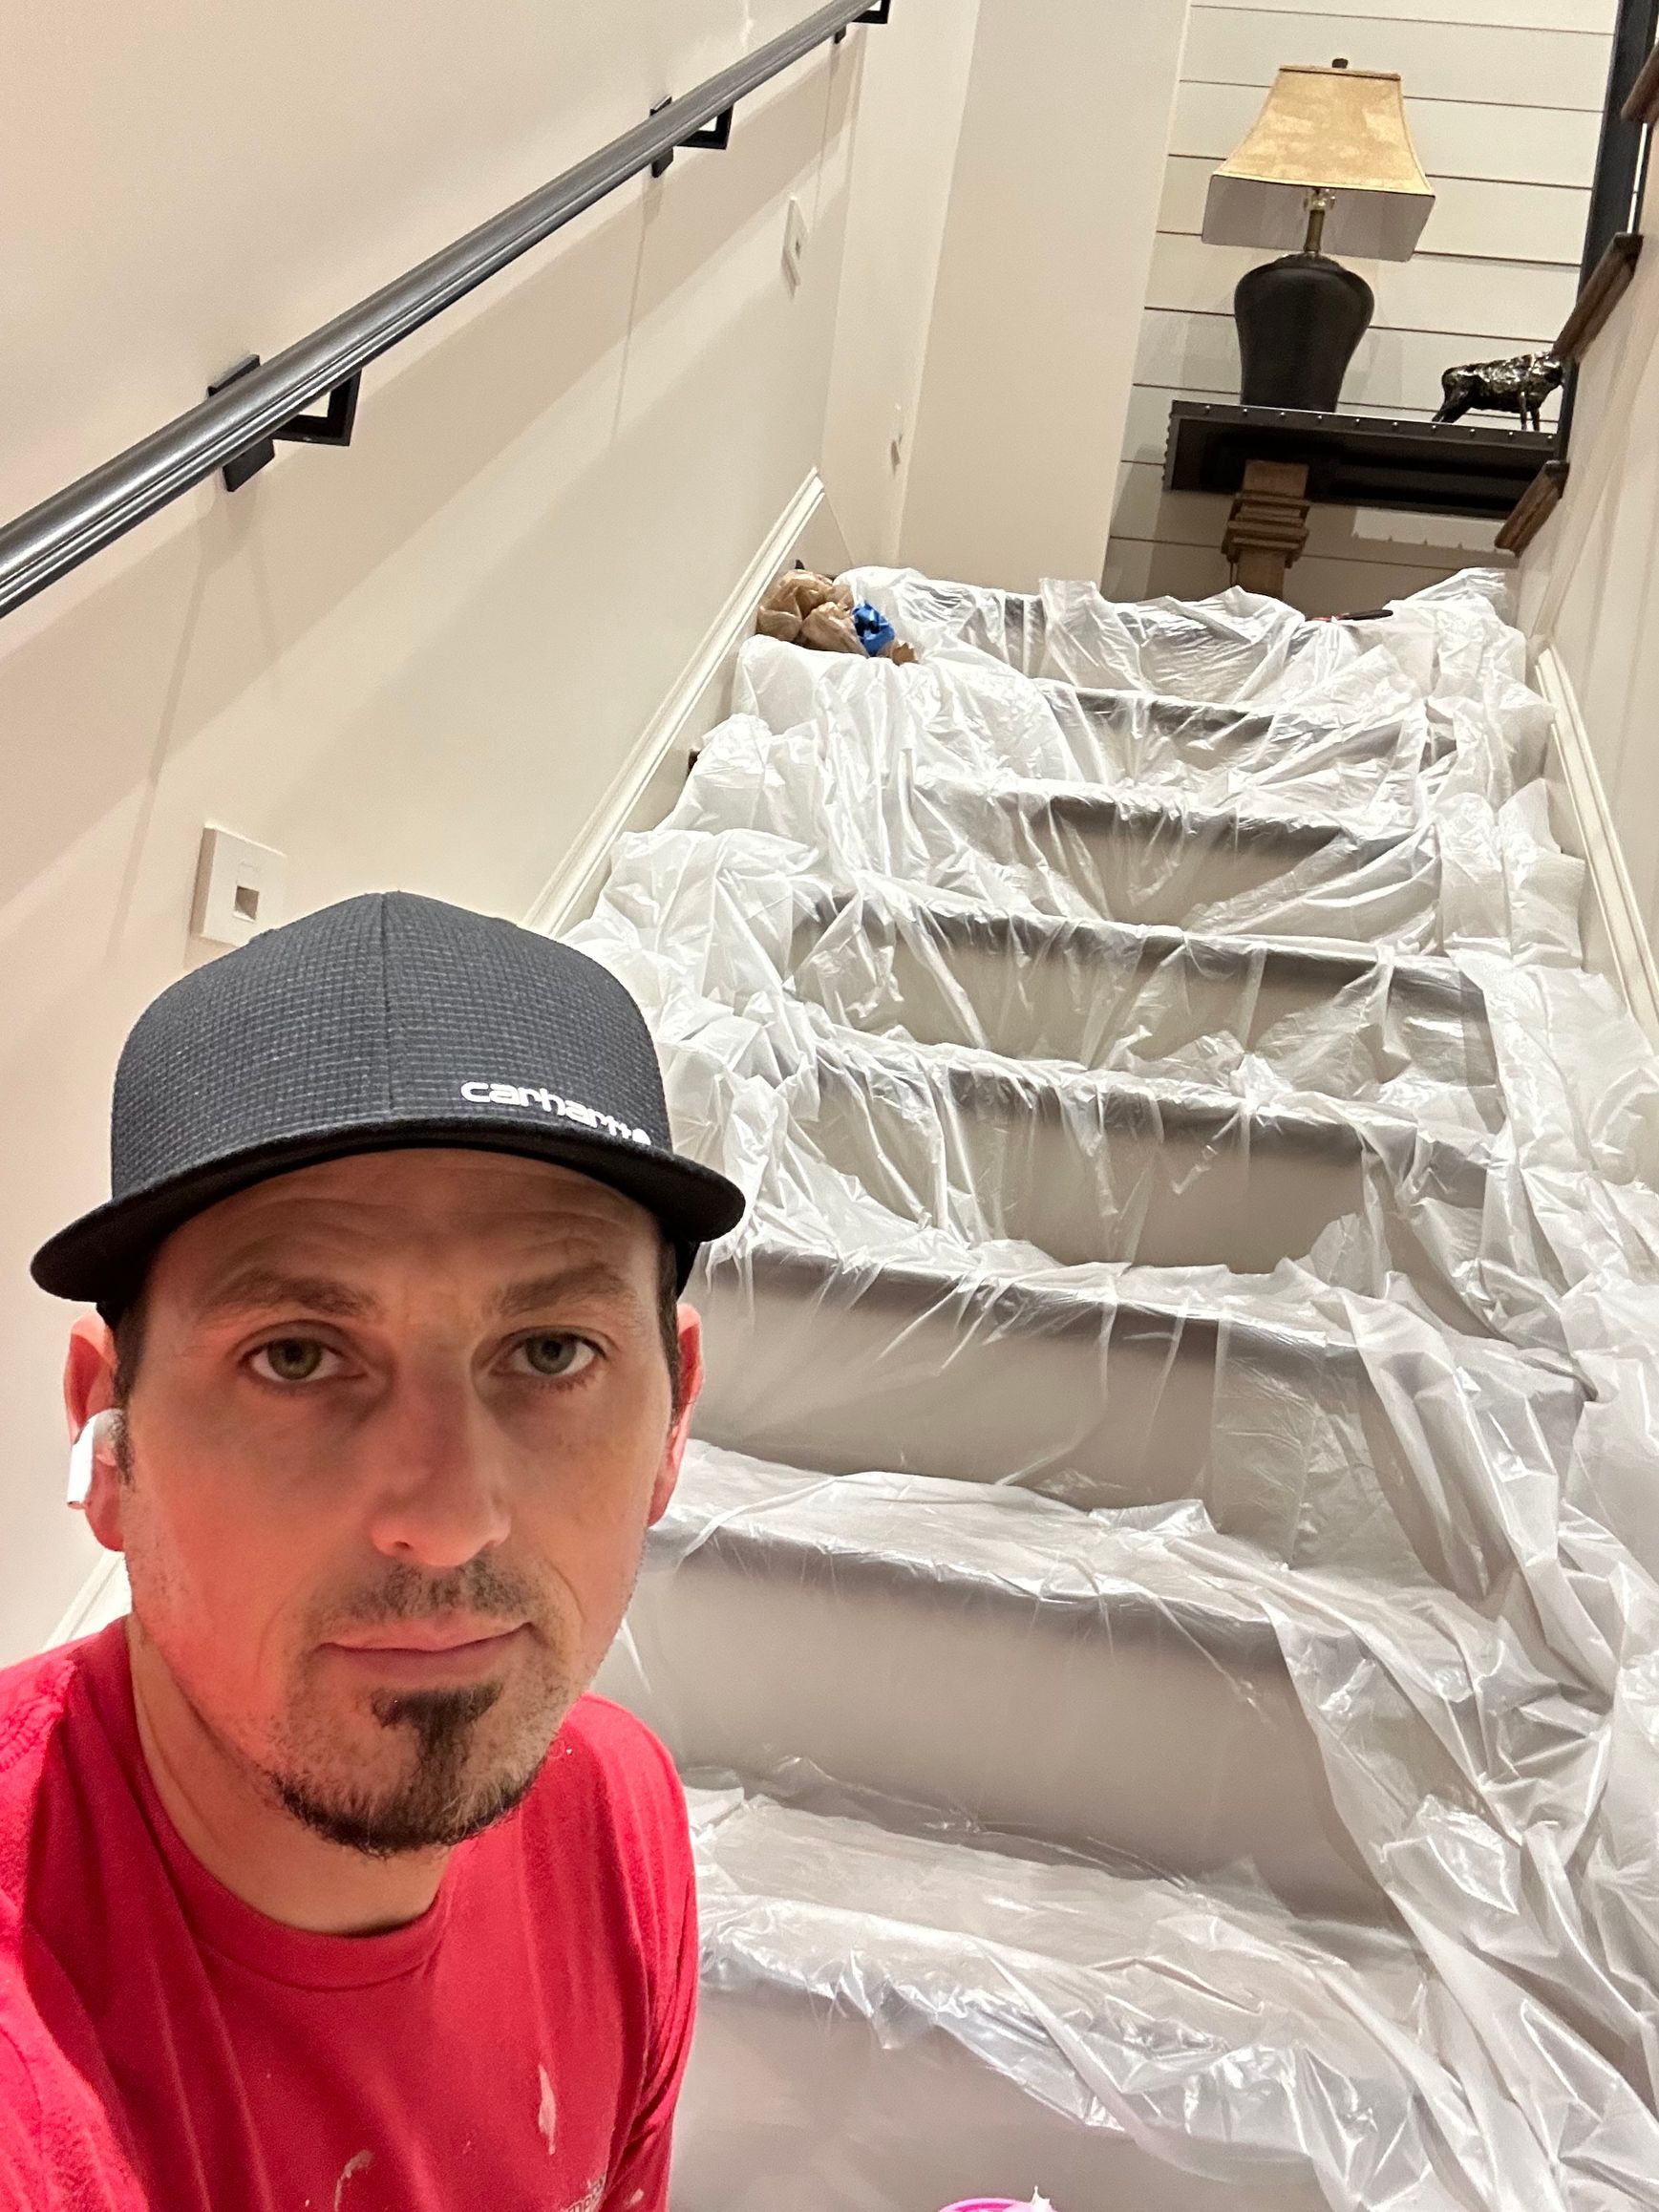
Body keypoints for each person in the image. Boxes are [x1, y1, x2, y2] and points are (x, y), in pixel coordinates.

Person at [0, 890, 746, 2212]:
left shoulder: (611, 1821)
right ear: (107, 1437)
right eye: (296, 1356)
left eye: (552, 1353)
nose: (449, 1516)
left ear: (672, 1417)